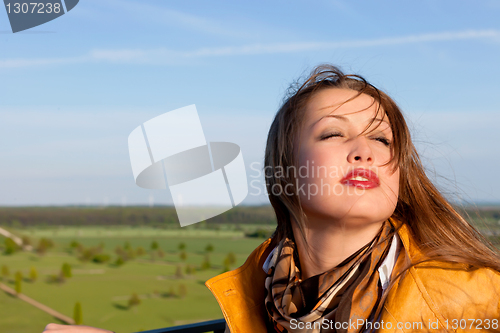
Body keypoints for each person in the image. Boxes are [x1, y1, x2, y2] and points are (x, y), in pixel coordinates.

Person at [43, 65, 500, 333]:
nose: (364, 149)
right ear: (283, 172)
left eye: (381, 139)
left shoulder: (477, 302)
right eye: (334, 133)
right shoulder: (255, 298)